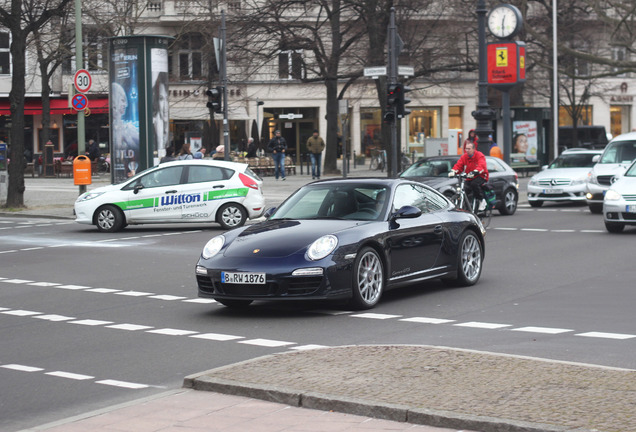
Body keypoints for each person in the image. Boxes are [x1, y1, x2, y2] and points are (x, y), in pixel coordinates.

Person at [448, 141, 489, 211]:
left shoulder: (479, 155)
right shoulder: (464, 157)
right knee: (464, 189)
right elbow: (459, 165)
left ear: (473, 149)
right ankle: (467, 207)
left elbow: (481, 165)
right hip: (470, 176)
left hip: (481, 175)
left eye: (469, 149)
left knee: (474, 184)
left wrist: (476, 171)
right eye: (466, 149)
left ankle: (482, 200)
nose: (467, 150)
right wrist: (453, 171)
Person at [152, 72, 169, 152]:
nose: (165, 106)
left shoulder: (165, 124)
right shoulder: (153, 122)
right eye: (161, 99)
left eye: (167, 99)